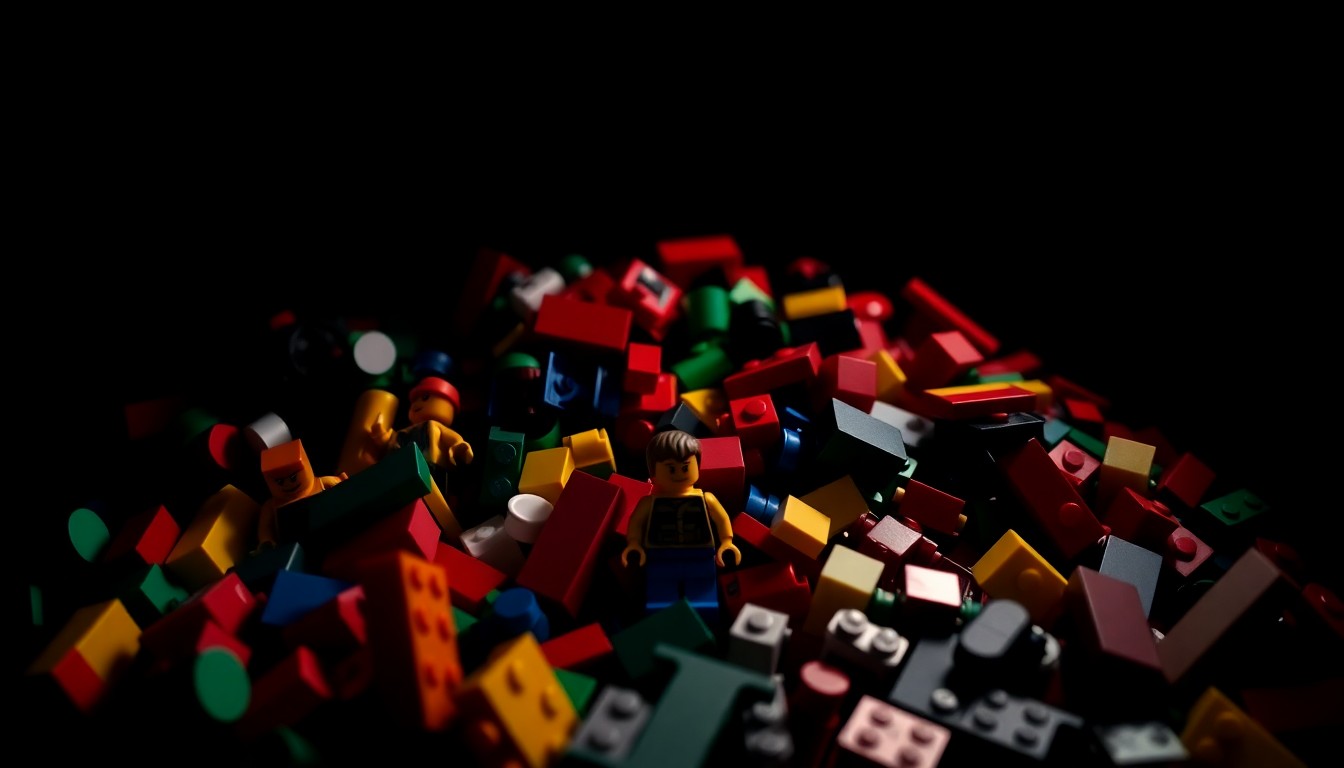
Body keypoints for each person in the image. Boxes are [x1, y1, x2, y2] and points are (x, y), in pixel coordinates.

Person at [622, 429, 740, 622]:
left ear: (697, 466)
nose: (679, 474)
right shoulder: (649, 502)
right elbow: (636, 523)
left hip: (701, 556)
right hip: (660, 557)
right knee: (660, 602)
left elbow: (721, 519)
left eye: (685, 467)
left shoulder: (705, 498)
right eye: (670, 468)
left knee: (704, 601)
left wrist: (727, 541)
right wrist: (634, 543)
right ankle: (665, 629)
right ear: (653, 471)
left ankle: (705, 629)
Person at [365, 376, 475, 471]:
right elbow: (392, 444)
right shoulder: (404, 433)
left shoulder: (435, 426)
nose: (416, 404)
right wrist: (382, 436)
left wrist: (459, 446)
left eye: (425, 398)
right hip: (399, 470)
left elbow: (453, 438)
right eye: (414, 400)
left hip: (429, 469)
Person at [256, 438, 345, 548]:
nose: (288, 484)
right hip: (293, 546)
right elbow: (265, 528)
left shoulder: (322, 482)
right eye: (280, 482)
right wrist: (266, 541)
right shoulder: (270, 506)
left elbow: (345, 488)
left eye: (293, 478)